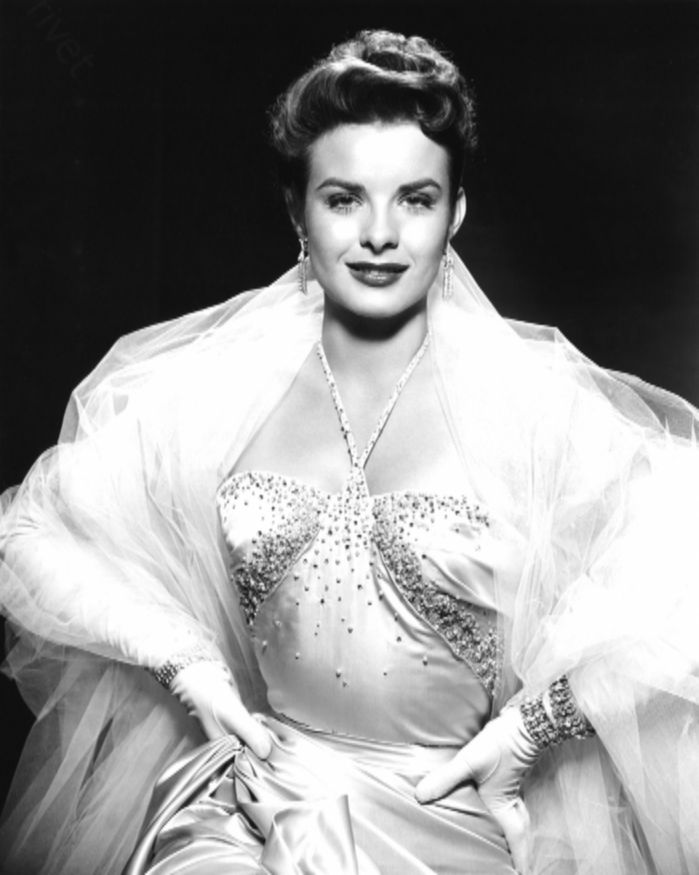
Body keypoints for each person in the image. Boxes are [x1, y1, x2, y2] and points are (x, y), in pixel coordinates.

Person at [1, 29, 699, 875]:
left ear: (455, 212)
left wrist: (529, 729)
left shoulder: (529, 405)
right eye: (343, 198)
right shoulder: (221, 388)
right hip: (254, 811)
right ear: (298, 211)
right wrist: (185, 664)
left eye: (414, 199)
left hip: (447, 821)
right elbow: (27, 535)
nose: (378, 233)